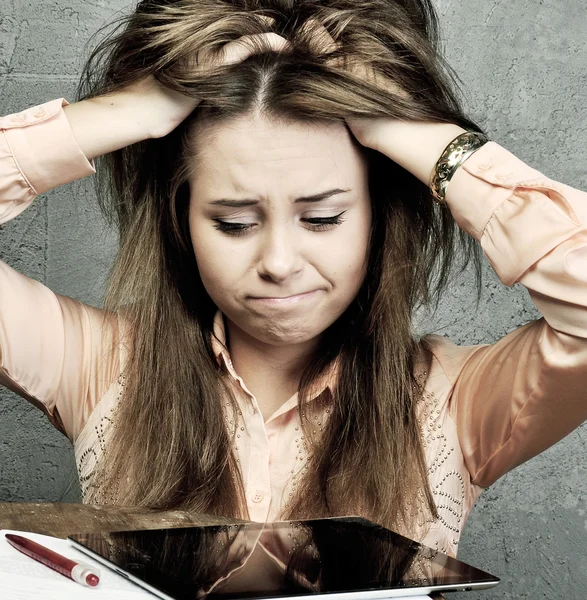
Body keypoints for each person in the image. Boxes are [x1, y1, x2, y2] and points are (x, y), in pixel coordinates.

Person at [0, 0, 585, 563]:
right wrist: (129, 113)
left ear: (377, 216)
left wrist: (414, 138)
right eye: (234, 222)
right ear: (183, 221)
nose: (279, 261)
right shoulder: (97, 366)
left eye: (323, 218)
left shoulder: (458, 404)